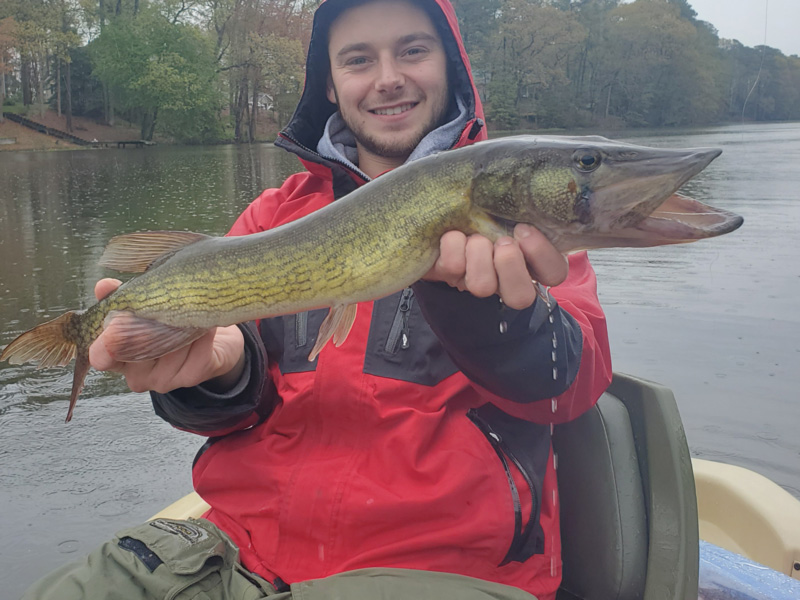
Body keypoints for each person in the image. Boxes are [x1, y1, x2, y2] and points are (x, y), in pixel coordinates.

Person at [23, 1, 612, 599]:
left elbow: (574, 387)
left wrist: (492, 314)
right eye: (359, 59)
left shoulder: (528, 232)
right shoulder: (272, 214)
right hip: (236, 556)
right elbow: (230, 406)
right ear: (330, 84)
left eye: (412, 50)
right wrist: (219, 374)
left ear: (452, 65)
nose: (388, 77)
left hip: (435, 570)